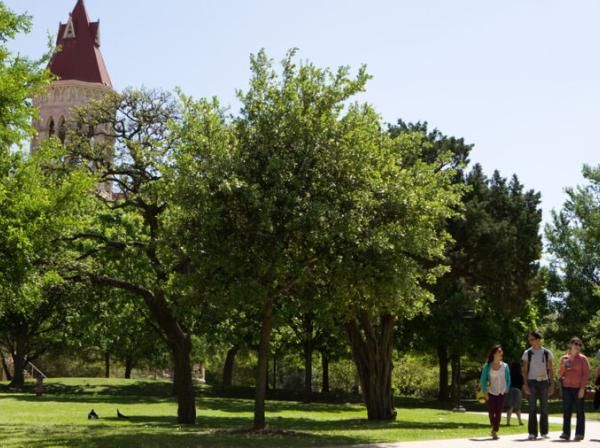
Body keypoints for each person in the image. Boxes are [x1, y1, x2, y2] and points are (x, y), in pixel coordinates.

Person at [521, 331, 554, 440]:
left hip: (544, 382)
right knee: (532, 408)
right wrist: (525, 385)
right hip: (531, 382)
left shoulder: (547, 353)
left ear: (538, 339)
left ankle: (544, 432)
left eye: (532, 339)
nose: (530, 341)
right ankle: (532, 433)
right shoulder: (527, 353)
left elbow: (551, 370)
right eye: (529, 340)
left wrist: (551, 384)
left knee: (544, 408)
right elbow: (525, 370)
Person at [558, 337, 590, 441]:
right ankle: (566, 433)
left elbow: (585, 375)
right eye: (576, 344)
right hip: (567, 388)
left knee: (580, 411)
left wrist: (582, 389)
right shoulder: (564, 358)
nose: (578, 346)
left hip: (578, 388)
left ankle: (579, 433)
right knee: (566, 411)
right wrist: (570, 358)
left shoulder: (583, 359)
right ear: (570, 345)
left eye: (580, 345)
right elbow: (561, 373)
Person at [480, 344, 511, 440]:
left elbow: (508, 379)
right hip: (491, 392)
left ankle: (495, 430)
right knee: (491, 411)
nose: (501, 353)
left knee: (498, 412)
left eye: (501, 351)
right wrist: (485, 392)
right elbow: (483, 379)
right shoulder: (487, 366)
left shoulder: (505, 366)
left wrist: (507, 389)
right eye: (499, 351)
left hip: (502, 392)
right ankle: (493, 427)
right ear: (494, 354)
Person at [506, 361, 524, 426]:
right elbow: (522, 384)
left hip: (510, 390)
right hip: (517, 390)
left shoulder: (509, 374)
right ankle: (520, 421)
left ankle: (508, 422)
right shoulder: (520, 375)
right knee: (518, 407)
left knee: (510, 407)